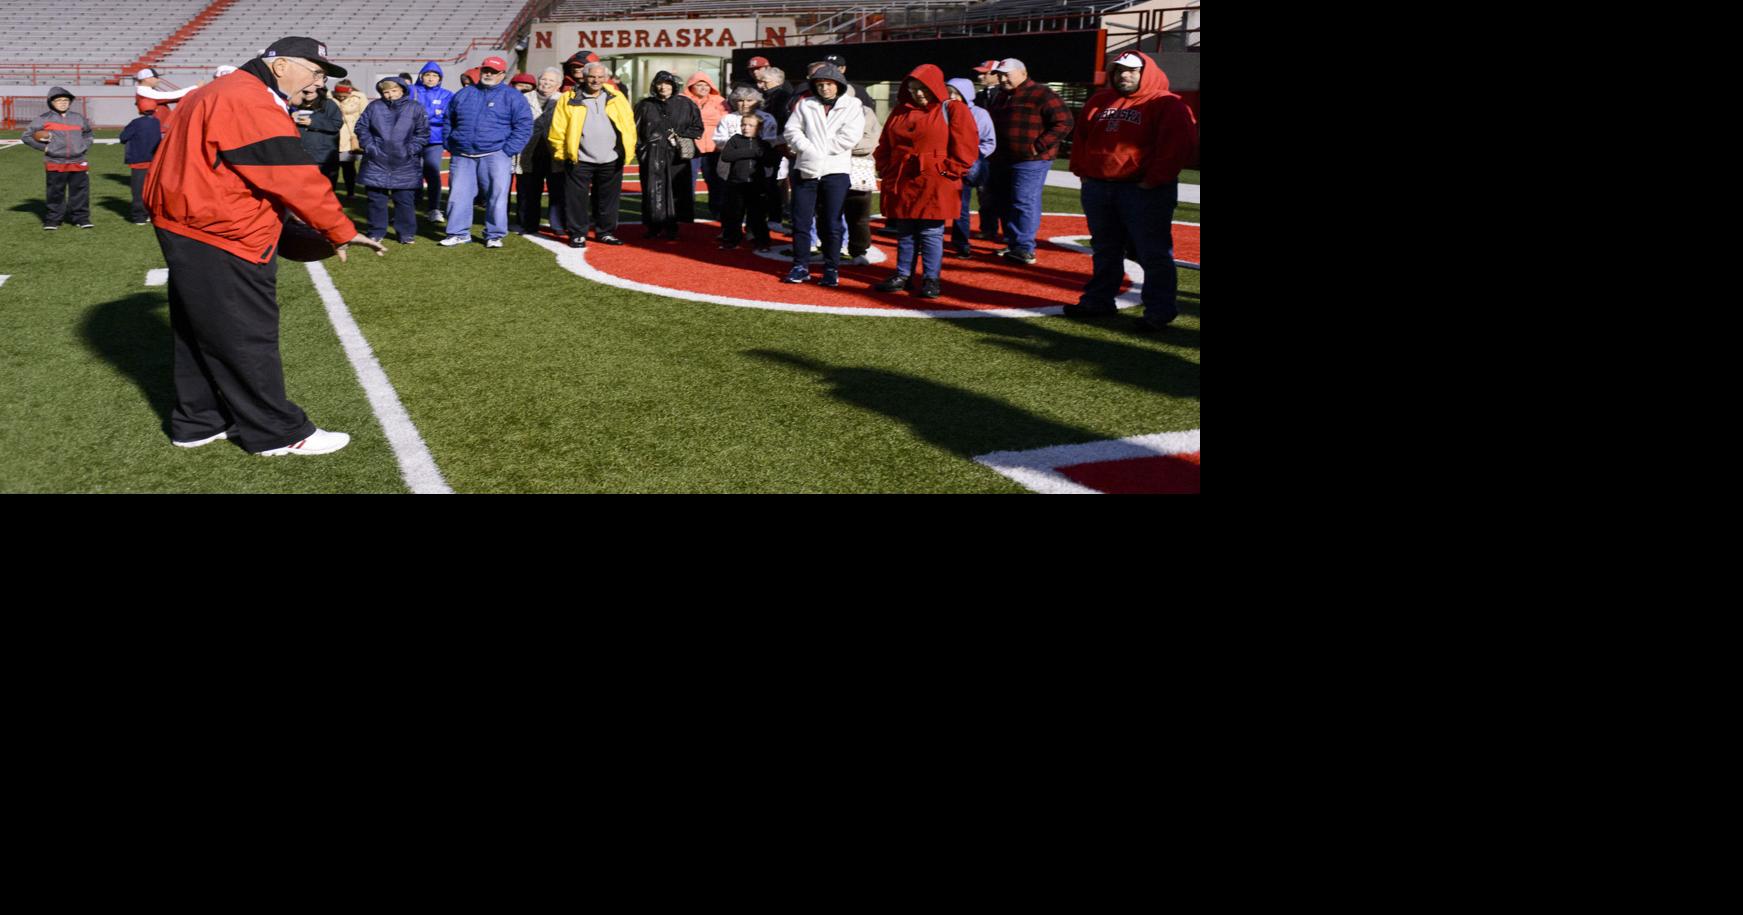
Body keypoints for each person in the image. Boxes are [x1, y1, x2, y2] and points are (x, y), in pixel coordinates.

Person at [143, 37, 385, 456]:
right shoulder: (249, 98)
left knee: (199, 330)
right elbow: (291, 174)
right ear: (281, 66)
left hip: (189, 220)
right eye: (315, 71)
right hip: (221, 228)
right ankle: (277, 432)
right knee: (246, 333)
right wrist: (339, 228)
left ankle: (198, 421)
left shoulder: (221, 90)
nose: (318, 83)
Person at [1066, 51, 1199, 331]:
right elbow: (1081, 138)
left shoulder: (1167, 103)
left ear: (1145, 72)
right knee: (1105, 249)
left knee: (1153, 252)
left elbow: (1178, 146)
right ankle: (1098, 301)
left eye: (1132, 70)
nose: (1123, 75)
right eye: (1118, 70)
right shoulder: (1100, 100)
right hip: (1099, 186)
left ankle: (1159, 311)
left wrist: (1152, 180)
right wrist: (1083, 171)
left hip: (1143, 190)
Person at [872, 65, 978, 299]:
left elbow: (966, 147)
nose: (918, 93)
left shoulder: (953, 109)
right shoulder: (900, 110)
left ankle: (931, 278)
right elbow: (885, 143)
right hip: (903, 178)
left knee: (931, 232)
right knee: (905, 230)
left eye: (923, 88)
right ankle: (903, 275)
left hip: (935, 179)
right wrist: (886, 167)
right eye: (913, 89)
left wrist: (946, 170)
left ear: (936, 87)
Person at [780, 62, 863, 286]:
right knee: (801, 221)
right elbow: (791, 130)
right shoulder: (806, 104)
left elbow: (850, 136)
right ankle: (800, 265)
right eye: (820, 84)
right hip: (806, 169)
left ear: (839, 84)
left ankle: (831, 267)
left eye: (829, 84)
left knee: (831, 222)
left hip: (835, 171)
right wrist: (808, 149)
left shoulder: (853, 105)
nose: (825, 88)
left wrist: (819, 150)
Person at [439, 56, 533, 248]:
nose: (488, 74)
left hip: (495, 153)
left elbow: (524, 125)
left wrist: (508, 150)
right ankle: (458, 232)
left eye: (493, 71)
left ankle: (494, 235)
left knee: (496, 197)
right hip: (463, 154)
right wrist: (450, 142)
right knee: (458, 196)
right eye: (486, 70)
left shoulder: (513, 96)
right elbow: (448, 119)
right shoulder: (464, 94)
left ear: (502, 74)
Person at [986, 58, 1073, 265]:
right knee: (1004, 201)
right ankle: (1013, 243)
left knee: (1023, 200)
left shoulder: (1043, 93)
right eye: (1000, 75)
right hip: (1002, 159)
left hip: (1031, 160)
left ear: (1023, 73)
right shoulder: (1001, 96)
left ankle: (1024, 247)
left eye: (1007, 74)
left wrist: (1038, 146)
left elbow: (1064, 121)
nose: (1002, 79)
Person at [550, 61, 635, 248]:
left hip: (611, 157)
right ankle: (577, 233)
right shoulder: (569, 97)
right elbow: (558, 128)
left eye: (600, 77)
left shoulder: (617, 96)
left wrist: (626, 150)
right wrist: (562, 154)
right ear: (584, 77)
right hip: (579, 158)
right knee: (576, 199)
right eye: (592, 77)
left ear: (606, 78)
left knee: (607, 199)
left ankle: (605, 232)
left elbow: (628, 124)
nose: (596, 80)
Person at [355, 75, 428, 245]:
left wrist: (411, 149)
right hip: (376, 160)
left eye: (394, 90)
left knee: (404, 200)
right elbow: (361, 127)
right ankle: (376, 231)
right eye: (386, 92)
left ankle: (406, 233)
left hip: (405, 161)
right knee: (376, 200)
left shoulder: (415, 108)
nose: (390, 95)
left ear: (402, 90)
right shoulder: (374, 106)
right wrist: (370, 146)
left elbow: (422, 133)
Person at [633, 70, 701, 241]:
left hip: (677, 156)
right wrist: (642, 151)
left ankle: (673, 226)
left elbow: (697, 127)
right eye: (660, 83)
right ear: (654, 86)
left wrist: (680, 137)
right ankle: (653, 226)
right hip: (652, 154)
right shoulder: (644, 105)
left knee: (676, 190)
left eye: (667, 83)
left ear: (674, 85)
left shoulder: (686, 104)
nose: (663, 87)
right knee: (653, 190)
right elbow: (635, 131)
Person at [712, 86, 778, 250]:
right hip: (734, 175)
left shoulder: (766, 119)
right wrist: (751, 151)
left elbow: (769, 150)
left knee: (758, 212)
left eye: (749, 100)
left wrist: (752, 152)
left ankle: (758, 238)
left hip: (758, 178)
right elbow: (724, 148)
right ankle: (730, 238)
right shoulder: (729, 120)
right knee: (733, 211)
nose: (744, 104)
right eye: (740, 100)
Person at [23, 86, 95, 230]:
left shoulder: (78, 118)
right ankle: (53, 219)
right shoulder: (43, 119)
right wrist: (45, 148)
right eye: (59, 100)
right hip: (55, 161)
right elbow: (26, 136)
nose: (63, 103)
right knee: (55, 193)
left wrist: (83, 146)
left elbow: (88, 134)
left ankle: (81, 218)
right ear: (51, 102)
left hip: (78, 160)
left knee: (80, 192)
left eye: (66, 100)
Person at [944, 77, 995, 257]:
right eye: (948, 92)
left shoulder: (980, 114)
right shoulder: (941, 110)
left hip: (965, 167)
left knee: (961, 206)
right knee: (937, 204)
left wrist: (970, 156)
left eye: (956, 93)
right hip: (943, 165)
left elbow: (989, 142)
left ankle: (961, 243)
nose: (952, 97)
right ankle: (930, 240)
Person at [518, 67, 567, 236]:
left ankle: (558, 224)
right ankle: (528, 224)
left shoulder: (564, 100)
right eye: (543, 79)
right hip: (528, 151)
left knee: (558, 191)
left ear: (558, 85)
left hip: (555, 152)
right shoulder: (524, 98)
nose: (546, 83)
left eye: (551, 80)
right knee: (529, 190)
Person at [410, 61, 453, 223]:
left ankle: (434, 208)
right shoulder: (412, 91)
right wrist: (433, 115)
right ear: (421, 76)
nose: (431, 78)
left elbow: (447, 116)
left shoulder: (446, 94)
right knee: (412, 173)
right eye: (427, 75)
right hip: (413, 138)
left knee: (432, 172)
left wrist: (424, 116)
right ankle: (410, 207)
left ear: (440, 79)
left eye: (435, 76)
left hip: (435, 140)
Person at [684, 71, 727, 219]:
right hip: (691, 147)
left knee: (715, 180)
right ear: (691, 86)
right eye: (699, 85)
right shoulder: (683, 100)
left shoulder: (720, 101)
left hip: (714, 147)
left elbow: (726, 120)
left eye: (706, 85)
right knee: (688, 180)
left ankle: (718, 210)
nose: (703, 88)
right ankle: (686, 211)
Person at [753, 65, 791, 223]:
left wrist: (775, 141)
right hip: (763, 143)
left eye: (764, 81)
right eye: (760, 81)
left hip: (773, 145)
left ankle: (774, 216)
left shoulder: (782, 97)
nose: (760, 85)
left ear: (777, 81)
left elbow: (782, 121)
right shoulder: (765, 96)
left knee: (770, 182)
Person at [119, 97, 163, 225]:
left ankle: (139, 216)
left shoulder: (136, 123)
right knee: (151, 190)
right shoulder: (156, 122)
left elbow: (123, 137)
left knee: (138, 191)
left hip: (139, 162)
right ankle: (150, 213)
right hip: (154, 161)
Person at [295, 84, 344, 187]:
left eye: (310, 91)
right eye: (304, 91)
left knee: (324, 186)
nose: (307, 94)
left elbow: (336, 124)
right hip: (300, 154)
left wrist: (313, 122)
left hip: (323, 155)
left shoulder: (329, 104)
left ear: (319, 91)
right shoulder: (295, 104)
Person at [333, 79, 366, 198]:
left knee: (348, 167)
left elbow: (365, 115)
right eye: (338, 95)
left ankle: (350, 192)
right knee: (333, 167)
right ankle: (331, 193)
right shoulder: (330, 98)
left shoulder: (359, 99)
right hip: (335, 135)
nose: (341, 98)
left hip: (350, 136)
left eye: (344, 95)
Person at [135, 67, 201, 104]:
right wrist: (195, 87)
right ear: (147, 79)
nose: (159, 80)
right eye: (156, 77)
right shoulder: (144, 92)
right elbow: (171, 96)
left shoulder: (144, 91)